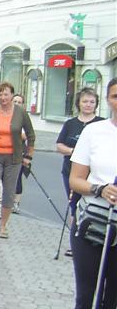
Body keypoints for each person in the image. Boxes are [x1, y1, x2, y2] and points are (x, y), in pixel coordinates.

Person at [47, 77, 117, 309]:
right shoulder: (95, 131)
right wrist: (100, 189)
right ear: (108, 99)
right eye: (115, 96)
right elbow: (76, 180)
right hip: (95, 222)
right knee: (88, 296)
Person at [0, 82, 35, 238]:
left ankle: (3, 226)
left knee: (9, 192)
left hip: (14, 157)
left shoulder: (20, 113)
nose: (3, 97)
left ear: (12, 95)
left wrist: (28, 156)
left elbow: (31, 135)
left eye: (6, 94)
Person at [56, 88, 104, 218]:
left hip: (93, 174)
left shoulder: (101, 124)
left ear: (96, 104)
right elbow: (59, 145)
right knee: (73, 205)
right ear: (79, 103)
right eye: (85, 101)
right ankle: (73, 233)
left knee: (91, 205)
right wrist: (73, 151)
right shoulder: (70, 124)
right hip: (70, 171)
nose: (88, 105)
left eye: (92, 102)